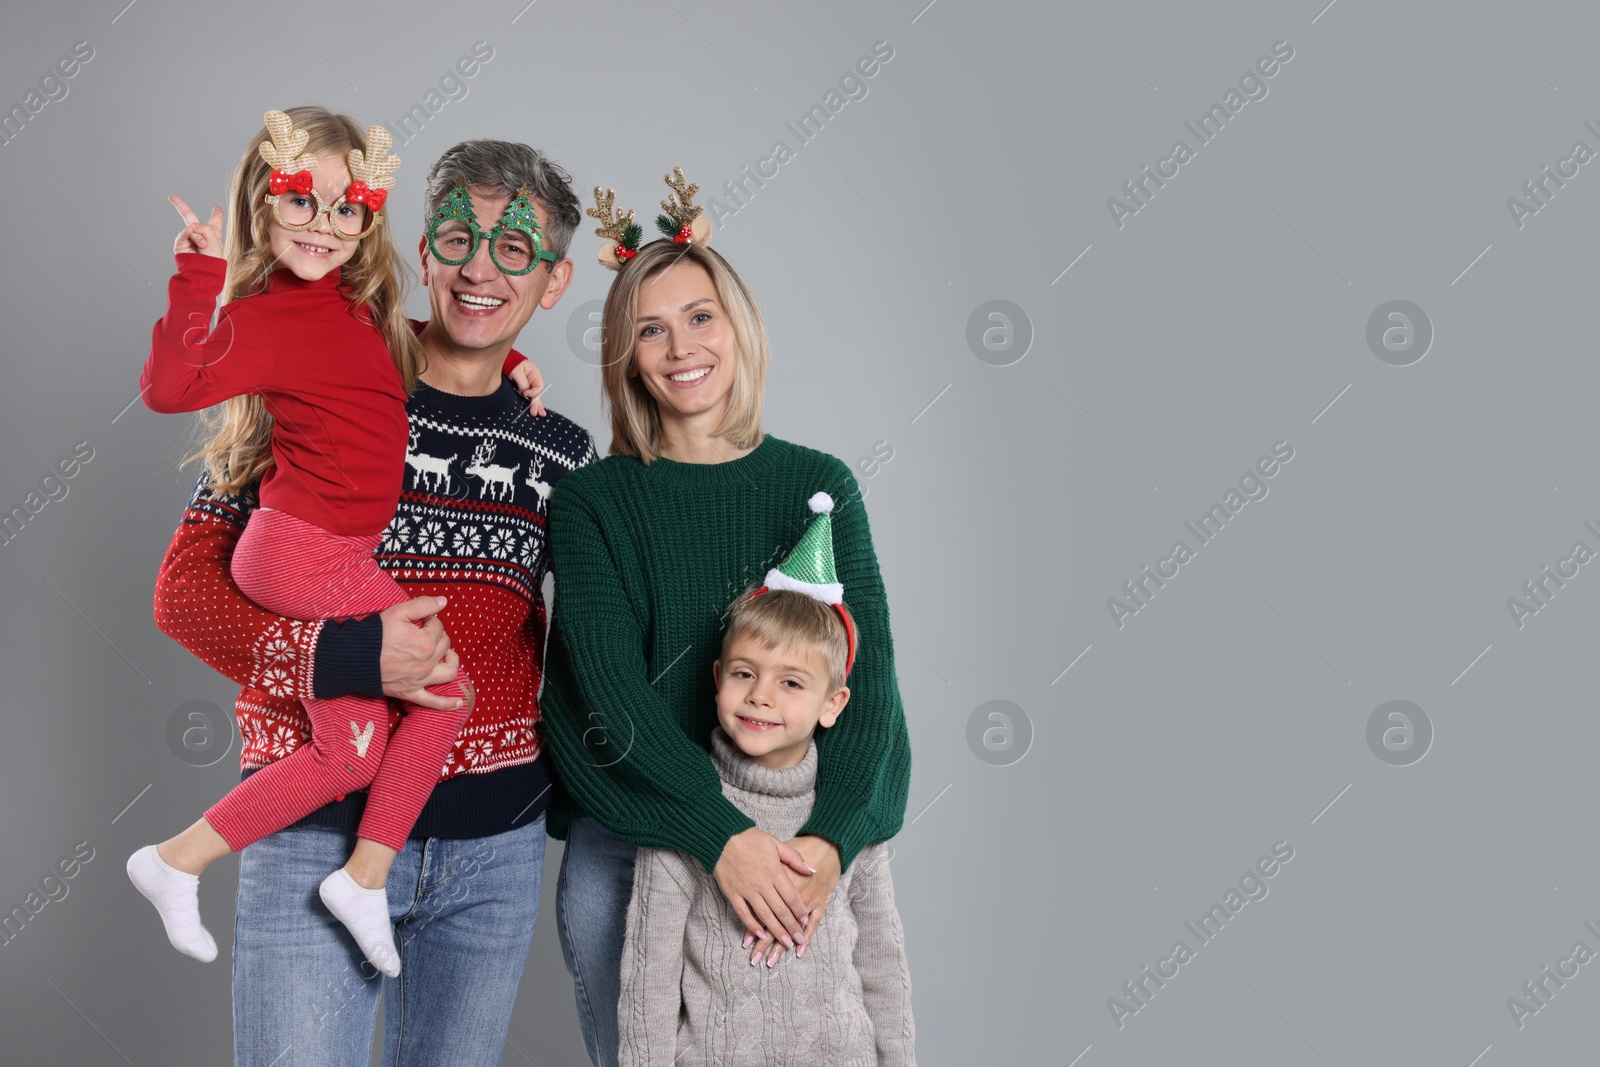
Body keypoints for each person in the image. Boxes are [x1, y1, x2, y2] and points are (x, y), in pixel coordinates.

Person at [146, 130, 593, 1066]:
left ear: (552, 282)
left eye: (515, 250)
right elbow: (185, 595)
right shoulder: (325, 378)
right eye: (458, 241)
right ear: (422, 250)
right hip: (314, 827)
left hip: (493, 847)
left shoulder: (561, 451)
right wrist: (347, 658)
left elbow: (578, 644)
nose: (480, 270)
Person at [542, 170, 913, 1067]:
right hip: (635, 856)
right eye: (650, 330)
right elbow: (607, 700)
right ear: (625, 356)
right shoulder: (595, 501)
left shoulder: (816, 488)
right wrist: (720, 838)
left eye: (699, 316)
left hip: (795, 859)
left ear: (737, 325)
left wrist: (829, 843)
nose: (680, 348)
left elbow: (866, 699)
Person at [617, 511, 915, 1067]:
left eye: (792, 683)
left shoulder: (849, 817)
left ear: (833, 705)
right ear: (717, 678)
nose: (760, 696)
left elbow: (882, 968)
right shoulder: (683, 816)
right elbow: (648, 984)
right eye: (744, 673)